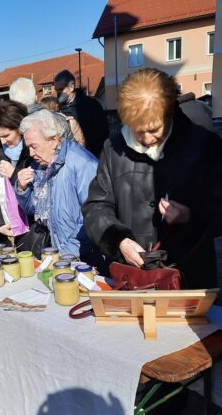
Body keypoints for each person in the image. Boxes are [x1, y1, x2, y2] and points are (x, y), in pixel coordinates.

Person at [82, 68, 222, 288]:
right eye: (138, 131)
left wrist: (191, 215)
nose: (147, 139)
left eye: (154, 129)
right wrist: (120, 241)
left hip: (189, 276)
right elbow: (96, 207)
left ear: (170, 114)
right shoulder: (113, 148)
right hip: (135, 277)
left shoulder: (205, 145)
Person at [15, 109, 101, 263]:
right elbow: (33, 209)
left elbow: (94, 218)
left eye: (34, 146)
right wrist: (22, 189)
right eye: (28, 147)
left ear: (54, 140)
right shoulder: (42, 165)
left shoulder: (83, 164)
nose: (31, 153)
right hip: (58, 254)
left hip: (85, 258)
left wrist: (65, 254)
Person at [0, 100, 31, 237]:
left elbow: (41, 186)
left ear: (20, 128)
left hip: (36, 225)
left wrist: (14, 174)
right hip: (14, 222)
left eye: (6, 135)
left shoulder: (33, 148)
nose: (3, 141)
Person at [54, 69, 109, 157]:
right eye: (56, 90)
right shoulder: (57, 108)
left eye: (60, 89)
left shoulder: (91, 105)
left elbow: (102, 133)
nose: (58, 93)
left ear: (71, 87)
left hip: (90, 156)